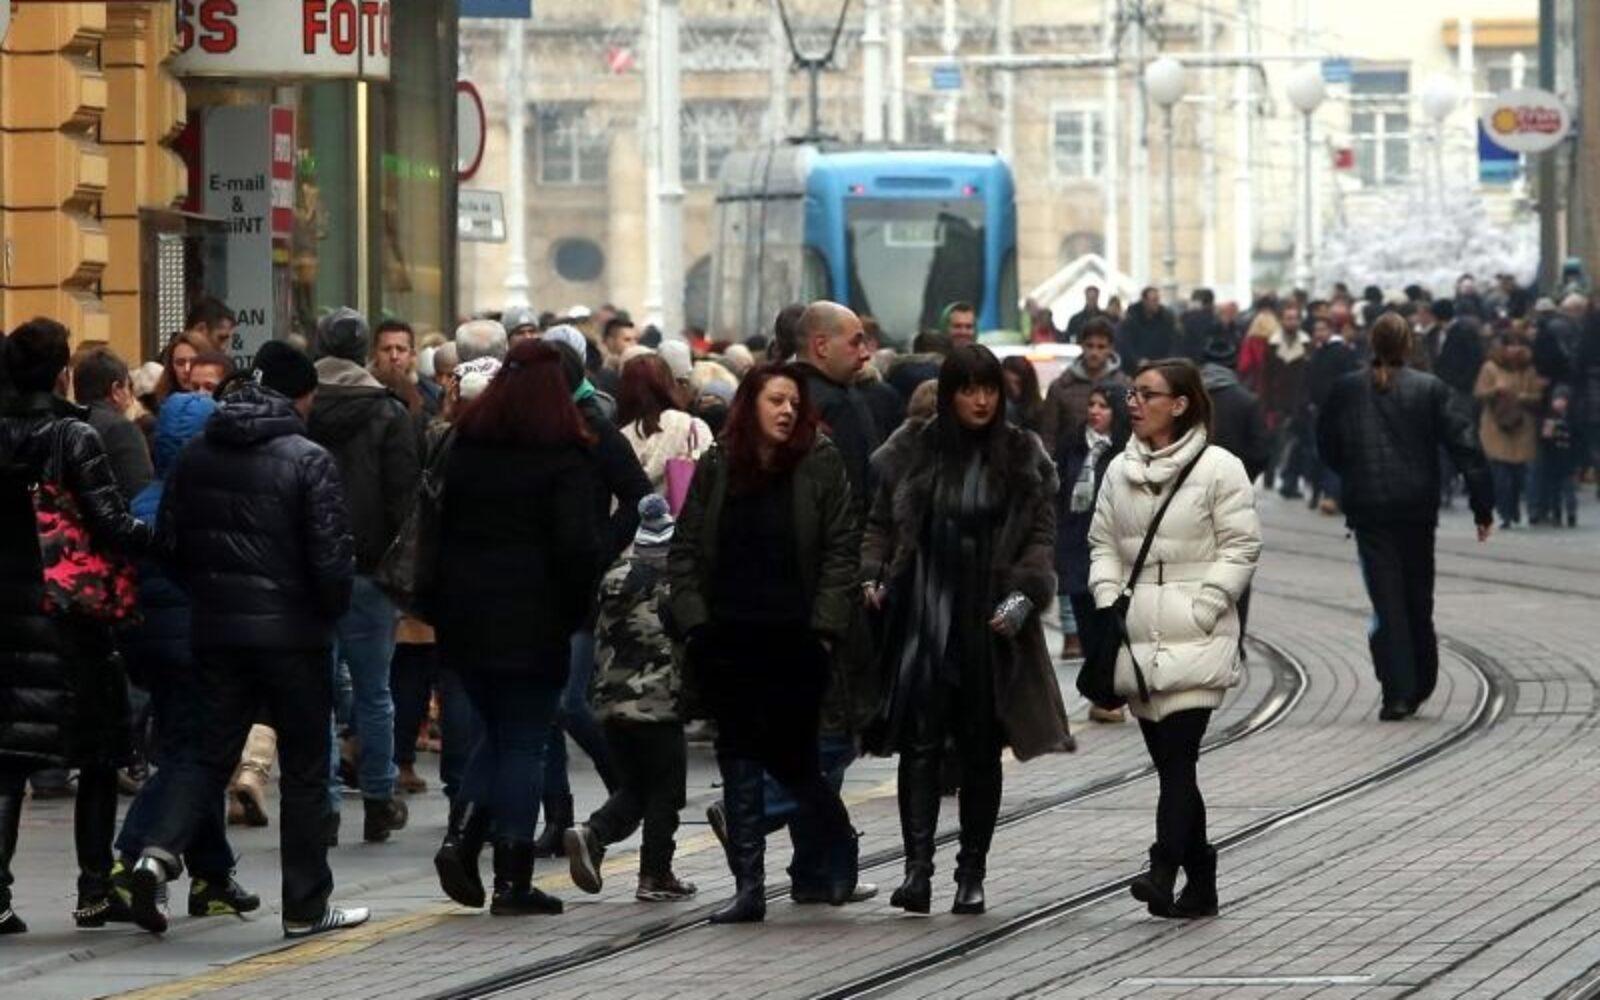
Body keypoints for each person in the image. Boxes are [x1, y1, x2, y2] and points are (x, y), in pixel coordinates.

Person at [126, 341, 366, 940]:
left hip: (216, 631)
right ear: (300, 396)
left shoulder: (197, 455)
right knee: (308, 766)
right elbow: (332, 560)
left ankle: (156, 854)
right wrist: (323, 614)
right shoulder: (308, 459)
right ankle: (307, 907)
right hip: (295, 637)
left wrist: (210, 596)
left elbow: (171, 543)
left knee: (207, 754)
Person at [863, 345, 1073, 917]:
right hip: (924, 617)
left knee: (981, 749)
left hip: (991, 620)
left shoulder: (1022, 453)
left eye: (990, 390)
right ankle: (917, 870)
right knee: (921, 745)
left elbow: (1041, 537)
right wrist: (871, 575)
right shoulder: (913, 449)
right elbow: (880, 525)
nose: (980, 400)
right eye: (968, 389)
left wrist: (1025, 595)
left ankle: (971, 872)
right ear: (950, 392)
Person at [669, 363, 862, 923]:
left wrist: (825, 630)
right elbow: (686, 549)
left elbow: (839, 551)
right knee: (738, 761)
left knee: (797, 762)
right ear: (750, 402)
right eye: (776, 401)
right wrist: (695, 622)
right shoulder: (720, 463)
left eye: (794, 404)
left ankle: (839, 839)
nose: (786, 412)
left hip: (796, 638)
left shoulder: (820, 462)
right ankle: (748, 886)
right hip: (728, 634)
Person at [430, 340, 605, 917]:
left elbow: (443, 531)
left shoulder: (467, 448)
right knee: (525, 743)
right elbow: (577, 549)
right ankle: (512, 877)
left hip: (466, 621)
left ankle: (461, 836)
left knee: (500, 734)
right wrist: (576, 613)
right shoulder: (564, 456)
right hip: (534, 622)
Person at [1089, 357, 1261, 920]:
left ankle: (1164, 866)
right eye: (1131, 394)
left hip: (1196, 633)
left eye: (1147, 394)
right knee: (1171, 768)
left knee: (1180, 757)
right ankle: (1202, 880)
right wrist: (1108, 599)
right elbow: (1103, 544)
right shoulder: (1119, 470)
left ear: (1180, 404)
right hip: (1137, 636)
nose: (1132, 402)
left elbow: (1240, 546)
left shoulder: (1219, 468)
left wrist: (1209, 604)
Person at [0, 319, 153, 933]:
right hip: (70, 614)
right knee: (97, 751)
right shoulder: (72, 435)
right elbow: (113, 522)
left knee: (8, 757)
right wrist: (165, 539)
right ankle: (93, 889)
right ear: (63, 370)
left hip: (6, 614)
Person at [113, 391, 261, 922]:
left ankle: (213, 876)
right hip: (200, 645)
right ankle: (131, 858)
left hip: (150, 645)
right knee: (192, 759)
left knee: (193, 751)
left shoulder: (142, 500)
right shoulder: (208, 497)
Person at [1316, 313, 1494, 722]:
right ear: (1409, 345)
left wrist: (1352, 471)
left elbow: (1326, 442)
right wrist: (1482, 506)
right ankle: (1422, 676)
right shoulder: (1430, 389)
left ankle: (1398, 689)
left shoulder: (1347, 390)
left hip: (1369, 508)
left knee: (1386, 599)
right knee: (1417, 593)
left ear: (1371, 344)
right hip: (1417, 506)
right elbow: (1465, 447)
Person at [531, 326, 648, 860]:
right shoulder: (534, 429)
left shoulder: (596, 427)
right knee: (543, 710)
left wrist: (604, 544)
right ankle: (557, 814)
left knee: (569, 703)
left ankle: (629, 788)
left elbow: (640, 498)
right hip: (538, 585)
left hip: (580, 586)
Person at [307, 307, 419, 845]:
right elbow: (404, 501)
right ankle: (378, 797)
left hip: (309, 570)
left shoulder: (300, 406)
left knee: (320, 693)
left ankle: (324, 805)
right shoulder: (388, 413)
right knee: (375, 690)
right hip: (371, 571)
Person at [564, 496, 697, 903]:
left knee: (635, 789)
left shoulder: (611, 581)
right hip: (657, 707)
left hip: (609, 706)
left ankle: (593, 833)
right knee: (666, 792)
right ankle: (656, 875)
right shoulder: (673, 588)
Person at [1055, 386, 1130, 723]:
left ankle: (1107, 696)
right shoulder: (1073, 448)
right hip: (1073, 545)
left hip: (1108, 549)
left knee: (1107, 623)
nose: (1096, 411)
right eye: (1092, 404)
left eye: (1104, 406)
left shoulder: (1124, 452)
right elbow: (1059, 493)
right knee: (1085, 622)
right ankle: (1103, 692)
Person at [1474, 333, 1544, 529]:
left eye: (1518, 344)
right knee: (1502, 476)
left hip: (1522, 426)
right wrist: (1495, 390)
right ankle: (1506, 514)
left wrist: (1523, 396)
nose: (1514, 349)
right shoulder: (1490, 367)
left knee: (1526, 474)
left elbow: (1537, 395)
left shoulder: (1528, 369)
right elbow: (1479, 393)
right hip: (1496, 427)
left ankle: (1532, 511)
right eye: (1510, 344)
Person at [616, 354, 712, 495]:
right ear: (669, 384)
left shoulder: (622, 436)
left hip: (636, 512)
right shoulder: (694, 428)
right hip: (682, 513)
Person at [1039, 317, 1128, 456]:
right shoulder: (1061, 387)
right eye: (1090, 345)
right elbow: (1048, 435)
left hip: (1114, 463)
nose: (1094, 352)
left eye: (1101, 347)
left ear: (1110, 348)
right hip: (1069, 465)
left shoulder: (1123, 386)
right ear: (1082, 346)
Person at [73, 348, 154, 500]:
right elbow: (138, 492)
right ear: (116, 390)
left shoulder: (62, 424)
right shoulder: (121, 430)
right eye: (129, 386)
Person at [1536, 387, 1580, 527]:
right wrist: (1545, 434)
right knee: (1554, 491)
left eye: (1563, 399)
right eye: (1557, 399)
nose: (1559, 403)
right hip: (1552, 460)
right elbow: (1542, 439)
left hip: (1568, 460)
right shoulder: (1548, 418)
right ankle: (1556, 515)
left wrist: (1578, 460)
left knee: (1569, 491)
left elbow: (1578, 440)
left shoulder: (1573, 418)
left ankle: (1571, 514)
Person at [1117, 287, 1178, 370]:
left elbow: (1172, 342)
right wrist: (1137, 360)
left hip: (1160, 366)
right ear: (1144, 301)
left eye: (1157, 300)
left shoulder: (1165, 319)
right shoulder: (1131, 320)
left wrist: (1167, 361)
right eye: (1153, 300)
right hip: (1136, 367)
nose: (1156, 303)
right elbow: (1125, 344)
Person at [1001, 355, 1042, 433]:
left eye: (1018, 383)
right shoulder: (1002, 410)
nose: (1014, 390)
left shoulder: (1039, 412)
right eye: (1007, 385)